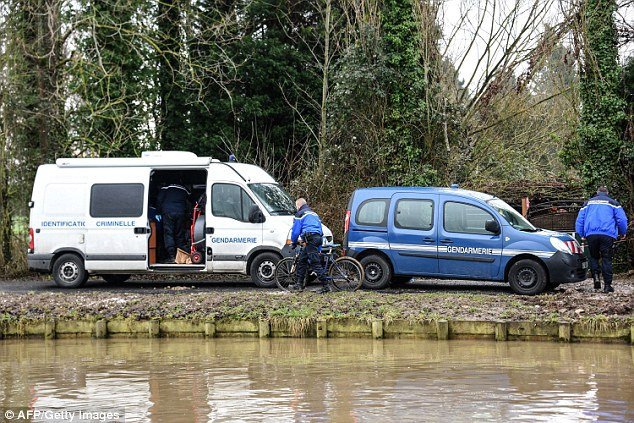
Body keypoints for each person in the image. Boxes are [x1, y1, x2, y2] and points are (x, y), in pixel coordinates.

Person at [575, 186, 628, 293]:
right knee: (606, 258)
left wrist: (581, 234)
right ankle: (607, 285)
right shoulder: (613, 203)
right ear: (607, 193)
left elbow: (580, 220)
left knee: (594, 257)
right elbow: (621, 219)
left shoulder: (587, 203)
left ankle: (596, 279)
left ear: (597, 193)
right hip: (607, 234)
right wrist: (623, 232)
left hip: (591, 234)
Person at [289, 198, 332, 293]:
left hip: (310, 239)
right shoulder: (314, 214)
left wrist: (293, 242)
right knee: (302, 260)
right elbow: (320, 230)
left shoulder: (299, 214)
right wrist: (319, 247)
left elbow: (295, 232)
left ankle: (326, 286)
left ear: (298, 206)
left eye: (296, 206)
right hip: (317, 238)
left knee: (315, 263)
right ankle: (299, 285)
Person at [157, 181, 191, 263]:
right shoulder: (184, 189)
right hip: (181, 212)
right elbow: (189, 203)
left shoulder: (166, 188)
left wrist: (158, 211)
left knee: (169, 233)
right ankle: (180, 256)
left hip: (168, 212)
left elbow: (159, 199)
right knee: (179, 234)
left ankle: (171, 256)